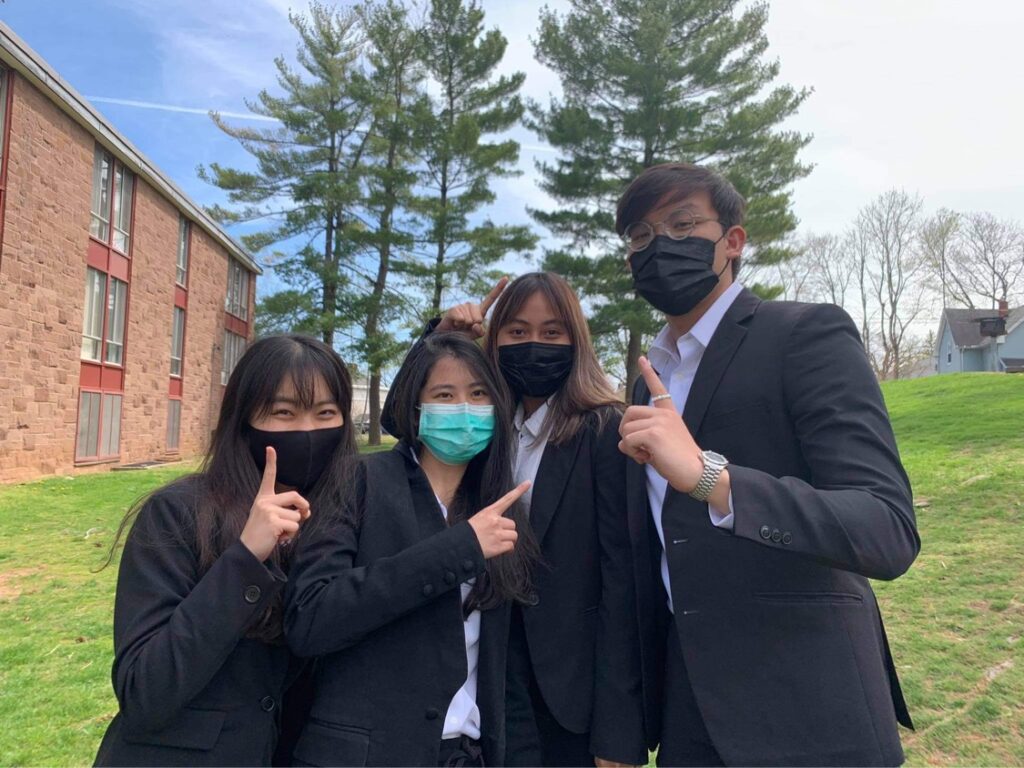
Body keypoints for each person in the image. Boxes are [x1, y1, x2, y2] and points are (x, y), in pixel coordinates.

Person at [614, 162, 920, 767]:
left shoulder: (805, 335)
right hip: (690, 714)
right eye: (641, 236)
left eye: (682, 224)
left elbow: (886, 528)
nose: (659, 247)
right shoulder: (645, 382)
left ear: (733, 241)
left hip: (807, 711)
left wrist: (713, 479)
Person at [94, 334, 358, 767]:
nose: (307, 431)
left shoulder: (342, 521)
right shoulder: (177, 514)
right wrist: (245, 559)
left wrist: (439, 342)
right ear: (243, 419)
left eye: (325, 413)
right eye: (283, 413)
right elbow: (144, 692)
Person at [284, 332, 538, 767]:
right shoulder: (359, 481)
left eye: (479, 394)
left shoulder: (500, 510)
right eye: (445, 394)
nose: (464, 409)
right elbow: (311, 618)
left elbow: (504, 670)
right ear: (417, 407)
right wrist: (457, 549)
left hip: (464, 753)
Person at [438, 272, 647, 767]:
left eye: (552, 333)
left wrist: (618, 729)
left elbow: (623, 579)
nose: (534, 345)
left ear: (575, 342)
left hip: (570, 691)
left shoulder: (605, 430)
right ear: (495, 340)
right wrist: (444, 339)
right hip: (486, 675)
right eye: (516, 331)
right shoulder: (482, 429)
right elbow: (401, 423)